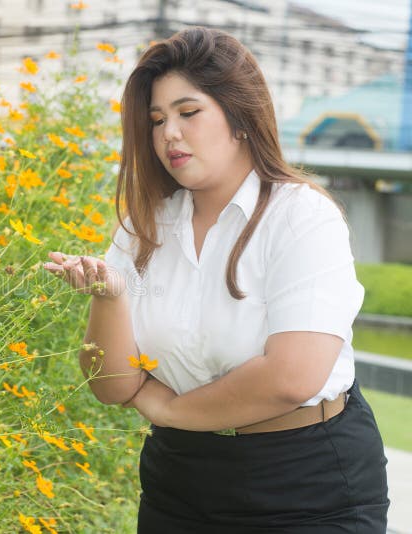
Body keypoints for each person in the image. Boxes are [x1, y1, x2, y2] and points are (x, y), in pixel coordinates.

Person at [42, 26, 389, 533]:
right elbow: (113, 386)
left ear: (240, 116)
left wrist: (169, 408)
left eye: (188, 112)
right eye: (157, 119)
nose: (168, 134)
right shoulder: (144, 226)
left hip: (308, 483)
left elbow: (291, 377)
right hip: (180, 484)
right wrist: (110, 298)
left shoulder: (302, 216)